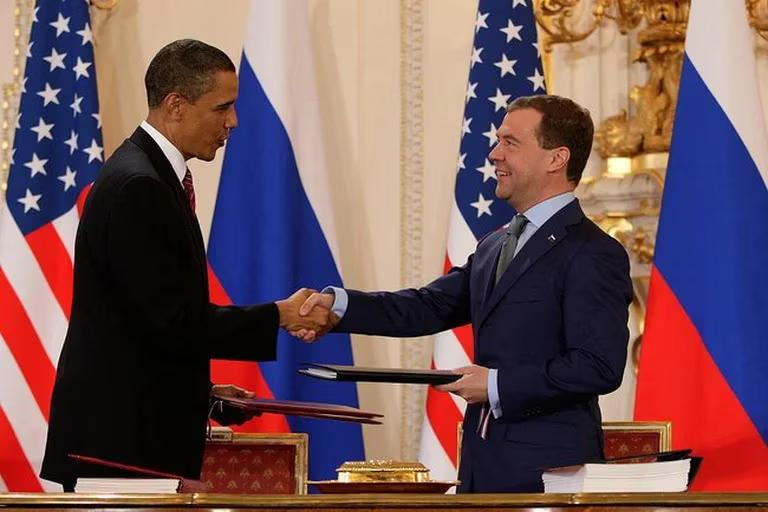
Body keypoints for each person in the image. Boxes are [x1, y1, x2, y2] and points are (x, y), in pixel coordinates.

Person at [297, 95, 633, 493]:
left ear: (556, 158)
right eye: (498, 141)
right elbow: (427, 306)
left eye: (510, 143)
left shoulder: (593, 252)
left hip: (549, 474)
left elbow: (597, 366)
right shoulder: (495, 245)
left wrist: (495, 385)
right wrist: (339, 306)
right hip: (481, 464)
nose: (494, 154)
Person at [40, 39, 329, 491]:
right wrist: (279, 315)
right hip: (119, 450)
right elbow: (171, 322)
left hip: (130, 439)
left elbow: (141, 328)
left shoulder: (150, 176)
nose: (232, 122)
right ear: (176, 104)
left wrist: (204, 397)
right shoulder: (140, 185)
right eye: (222, 108)